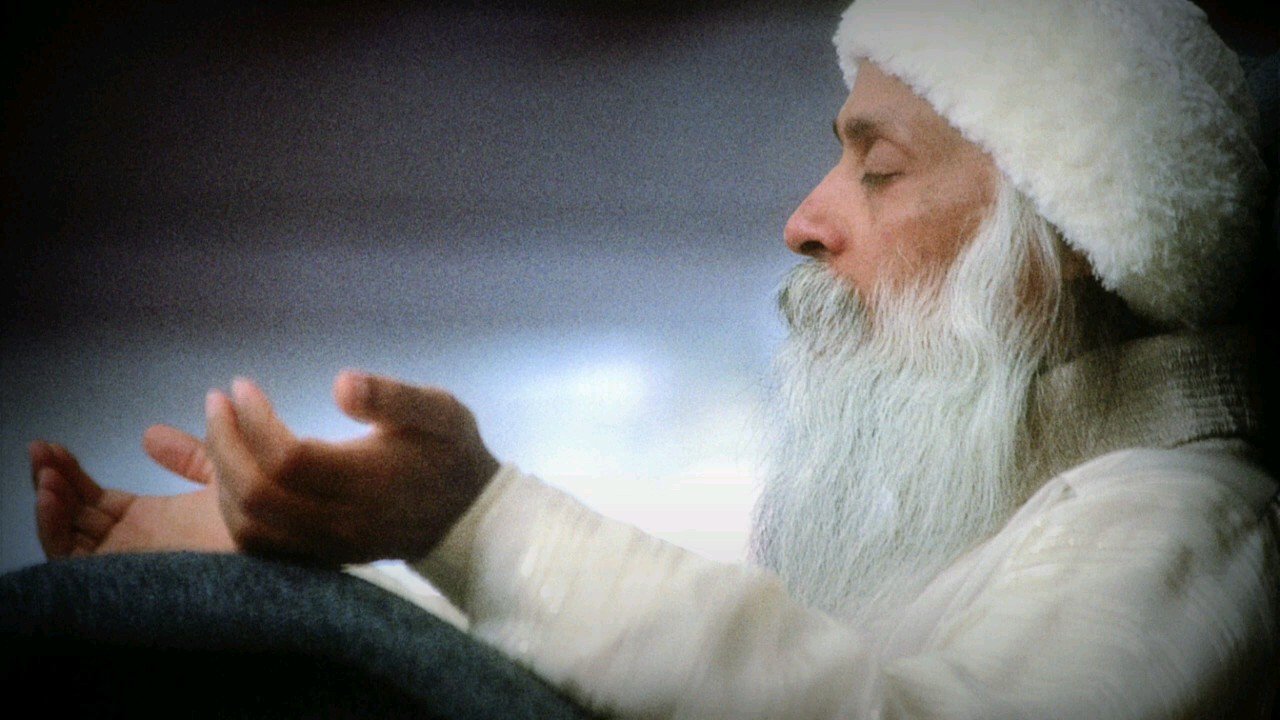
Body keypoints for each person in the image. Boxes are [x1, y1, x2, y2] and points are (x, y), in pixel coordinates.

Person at [26, 0, 1279, 716]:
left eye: (878, 167)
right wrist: (306, 574)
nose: (803, 219)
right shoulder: (1024, 525)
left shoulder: (1185, 520)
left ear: (1058, 242)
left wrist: (474, 523)